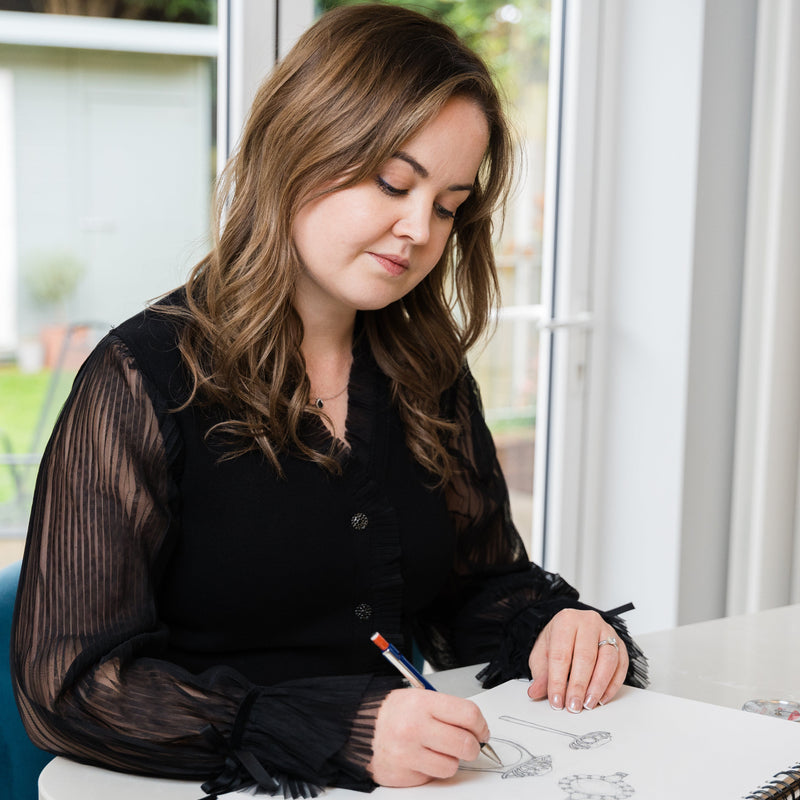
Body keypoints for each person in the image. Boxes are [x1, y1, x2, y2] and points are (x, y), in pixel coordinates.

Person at [11, 5, 647, 797]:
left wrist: (555, 627)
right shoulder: (139, 380)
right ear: (302, 147)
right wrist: (328, 730)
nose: (419, 228)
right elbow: (72, 689)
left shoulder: (426, 370)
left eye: (448, 204)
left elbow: (477, 586)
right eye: (393, 181)